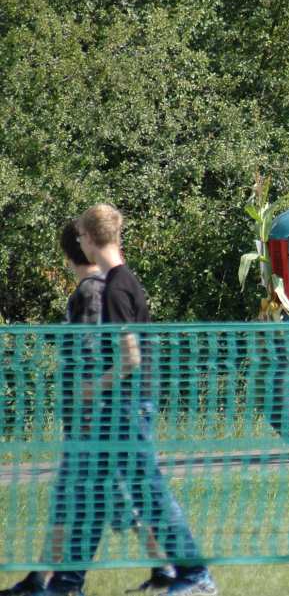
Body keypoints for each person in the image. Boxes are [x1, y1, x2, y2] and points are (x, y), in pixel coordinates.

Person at [42, 205, 217, 596]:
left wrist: (92, 387)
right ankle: (67, 583)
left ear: (90, 239)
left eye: (81, 237)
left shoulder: (117, 288)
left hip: (128, 406)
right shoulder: (119, 282)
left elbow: (131, 357)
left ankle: (195, 574)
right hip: (121, 405)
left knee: (149, 493)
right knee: (92, 493)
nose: (80, 243)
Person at [0, 223, 175, 596]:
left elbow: (94, 354)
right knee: (112, 495)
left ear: (69, 254)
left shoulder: (92, 292)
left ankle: (52, 580)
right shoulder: (97, 289)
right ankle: (163, 567)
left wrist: (88, 405)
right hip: (98, 417)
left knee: (78, 497)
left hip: (95, 419)